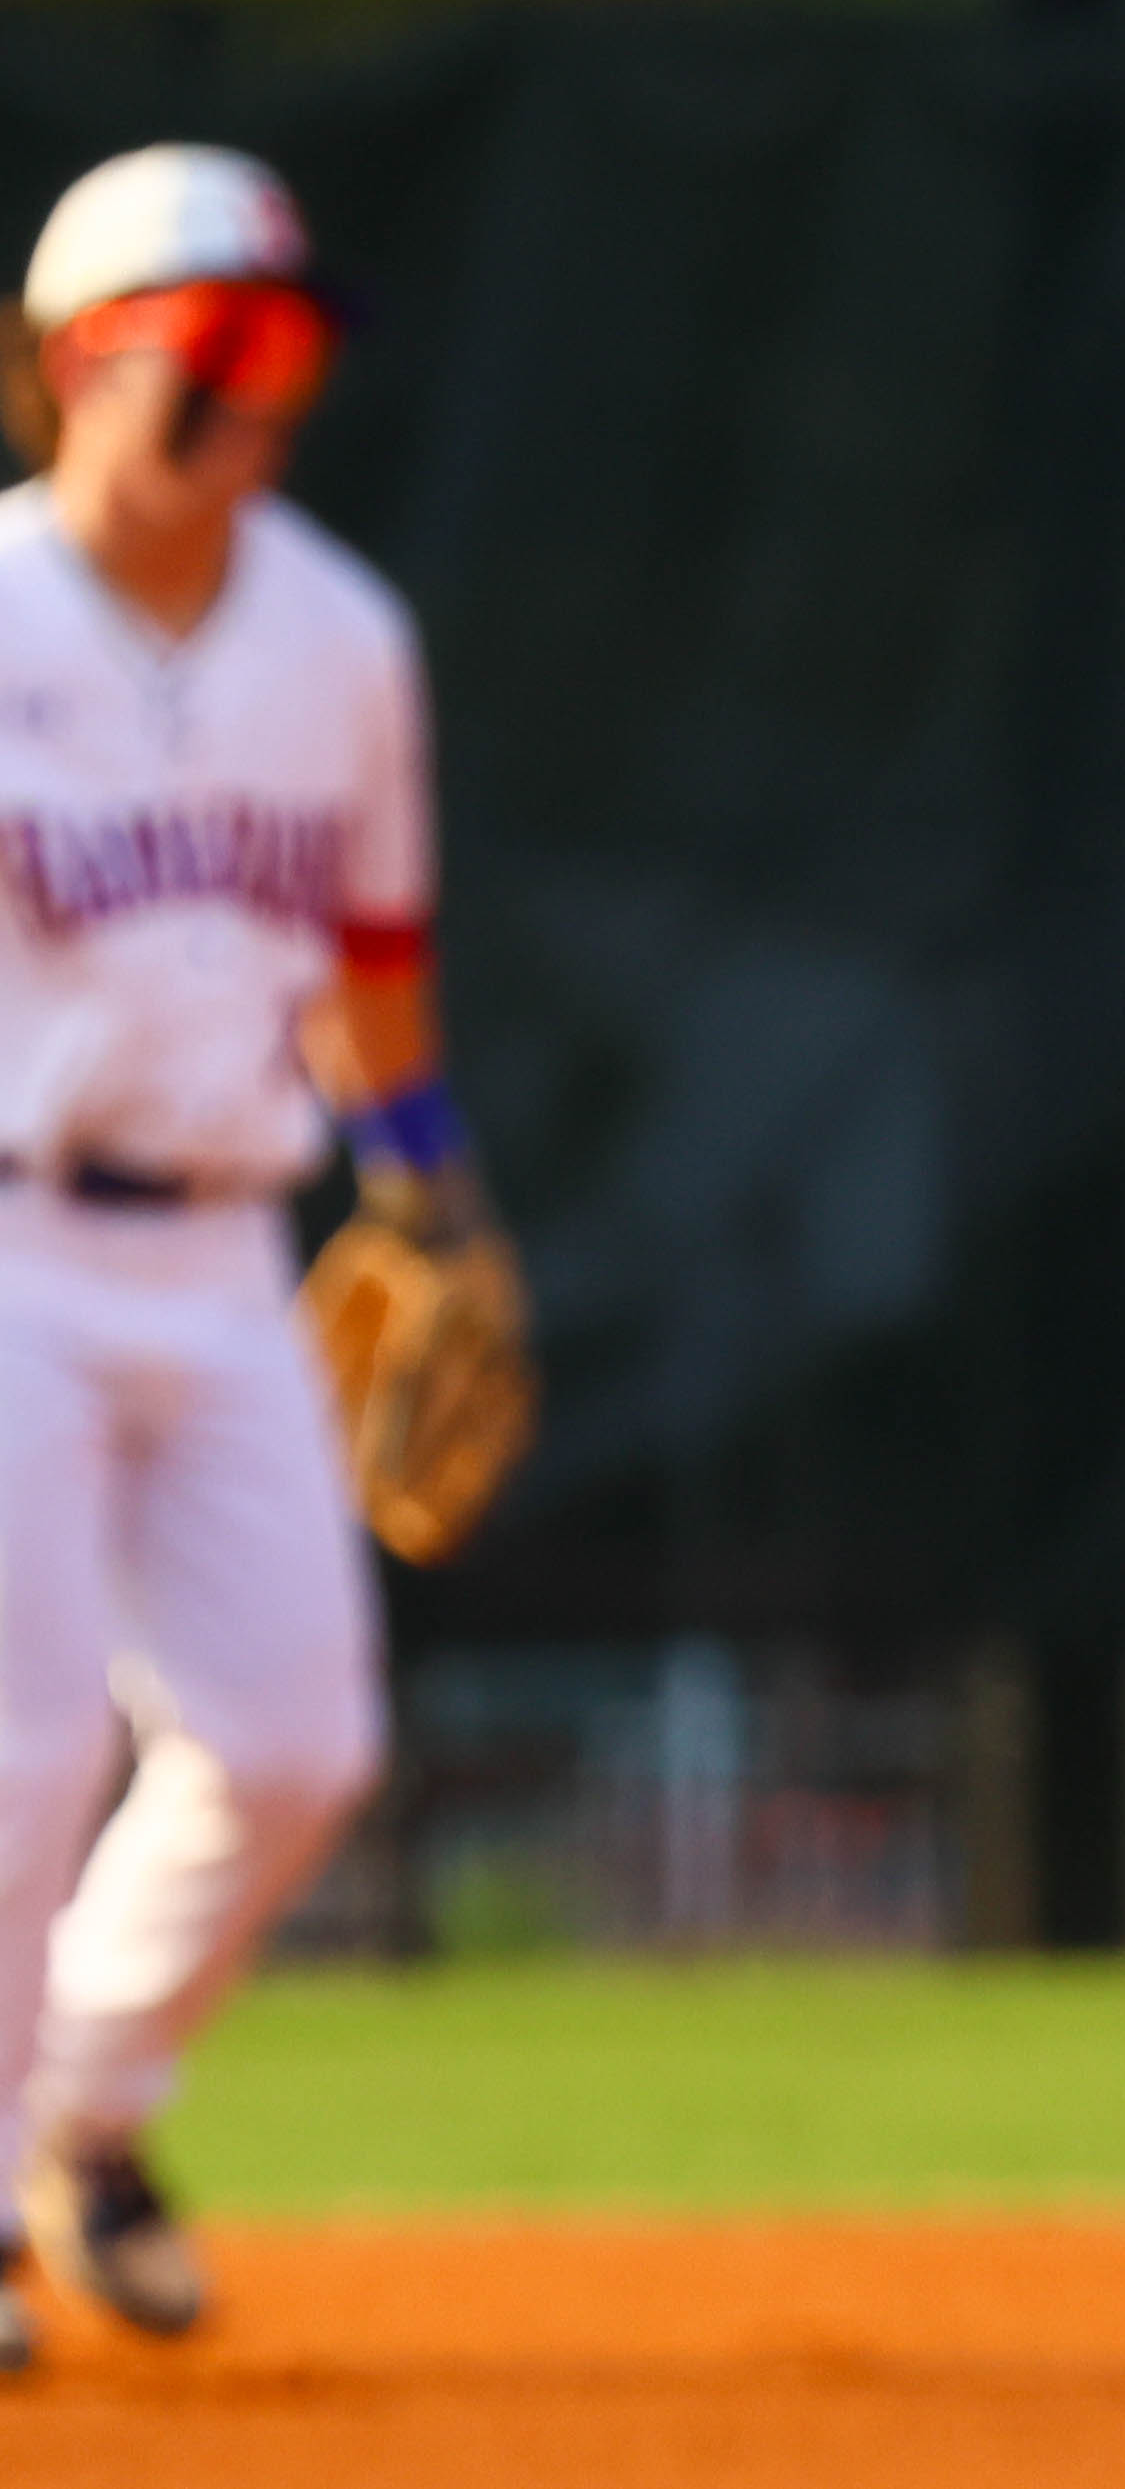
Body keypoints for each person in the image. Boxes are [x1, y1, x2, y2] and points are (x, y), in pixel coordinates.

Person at [0, 148, 484, 2372]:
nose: (269, 399)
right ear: (84, 361)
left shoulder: (339, 634)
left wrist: (435, 1195)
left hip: (226, 1250)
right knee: (18, 1756)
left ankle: (78, 2118)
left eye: (292, 356)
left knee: (296, 1740)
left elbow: (369, 969)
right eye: (224, 351)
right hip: (11, 1230)